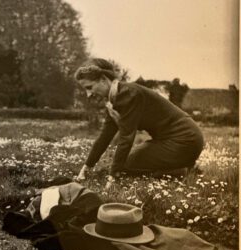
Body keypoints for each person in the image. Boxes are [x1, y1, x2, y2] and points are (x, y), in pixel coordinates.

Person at [74, 58, 204, 186]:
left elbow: (126, 137)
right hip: (171, 140)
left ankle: (180, 170)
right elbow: (105, 136)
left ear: (103, 79)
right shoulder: (115, 98)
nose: (88, 94)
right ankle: (181, 165)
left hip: (185, 140)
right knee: (124, 162)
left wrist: (113, 177)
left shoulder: (129, 94)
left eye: (89, 87)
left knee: (125, 165)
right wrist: (86, 168)